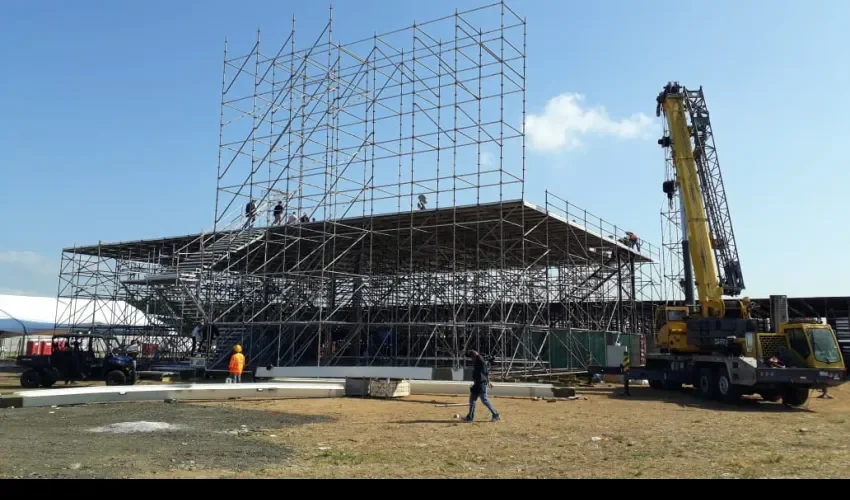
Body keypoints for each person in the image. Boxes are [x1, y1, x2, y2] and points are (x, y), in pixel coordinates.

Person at [463, 350, 500, 422]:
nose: (471, 359)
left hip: (481, 384)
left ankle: (496, 414)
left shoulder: (481, 361)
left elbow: (485, 372)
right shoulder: (477, 362)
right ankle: (470, 417)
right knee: (472, 400)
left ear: (475, 356)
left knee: (484, 400)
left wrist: (488, 382)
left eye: (472, 357)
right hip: (476, 384)